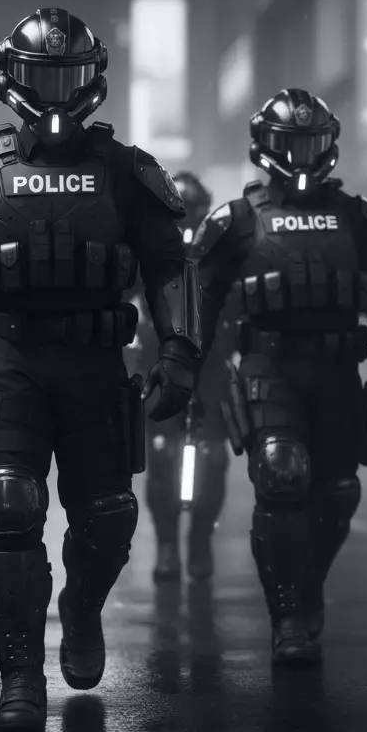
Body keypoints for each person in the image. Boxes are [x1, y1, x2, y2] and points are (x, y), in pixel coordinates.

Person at [0, 7, 199, 732]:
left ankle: (83, 607)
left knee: (107, 517)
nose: (56, 94)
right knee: (7, 506)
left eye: (69, 76)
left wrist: (182, 349)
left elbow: (168, 266)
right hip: (10, 360)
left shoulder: (127, 170)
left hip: (97, 362)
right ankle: (21, 680)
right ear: (12, 78)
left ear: (93, 77)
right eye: (42, 77)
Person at [191, 88, 367, 666]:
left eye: (309, 143)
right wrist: (189, 365)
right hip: (270, 367)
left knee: (337, 495)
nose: (299, 156)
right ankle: (288, 615)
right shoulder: (236, 222)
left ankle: (306, 583)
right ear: (264, 147)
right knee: (281, 473)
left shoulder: (356, 217)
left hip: (340, 369)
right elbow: (199, 300)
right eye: (288, 144)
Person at [142, 171, 232, 583]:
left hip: (211, 369)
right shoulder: (143, 242)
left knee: (212, 459)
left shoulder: (222, 247)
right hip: (156, 365)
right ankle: (166, 547)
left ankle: (198, 542)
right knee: (160, 456)